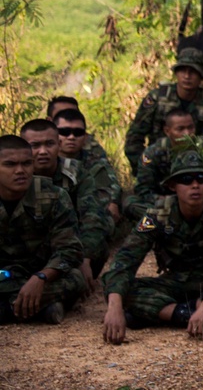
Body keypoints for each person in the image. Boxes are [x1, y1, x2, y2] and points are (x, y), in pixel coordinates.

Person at [101, 151, 203, 343]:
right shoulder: (157, 214)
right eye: (186, 179)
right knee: (116, 289)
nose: (195, 185)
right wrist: (114, 308)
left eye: (201, 178)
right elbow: (126, 258)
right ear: (172, 186)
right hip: (176, 283)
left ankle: (165, 314)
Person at [21, 119, 113, 296]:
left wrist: (85, 258)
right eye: (35, 145)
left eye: (49, 144)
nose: (43, 151)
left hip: (69, 247)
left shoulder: (76, 172)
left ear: (59, 144)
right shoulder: (14, 174)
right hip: (25, 247)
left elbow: (92, 217)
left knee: (101, 236)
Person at [0, 135, 85, 325]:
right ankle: (35, 308)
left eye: (26, 164)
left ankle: (9, 309)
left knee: (75, 279)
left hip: (40, 275)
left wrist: (41, 277)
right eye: (10, 165)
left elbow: (69, 250)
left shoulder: (53, 196)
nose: (20, 171)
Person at [123, 47, 203, 173]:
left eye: (193, 71)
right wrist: (144, 167)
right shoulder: (157, 98)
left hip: (196, 170)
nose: (187, 76)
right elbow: (134, 138)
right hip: (158, 167)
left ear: (202, 76)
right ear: (176, 72)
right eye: (183, 70)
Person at [124, 109, 203, 221]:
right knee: (130, 203)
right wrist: (171, 200)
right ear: (167, 131)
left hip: (200, 203)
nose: (187, 133)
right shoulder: (153, 153)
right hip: (164, 204)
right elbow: (143, 189)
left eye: (190, 127)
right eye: (180, 129)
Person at [52, 107, 122, 225]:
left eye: (78, 133)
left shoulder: (95, 164)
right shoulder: (43, 161)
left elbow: (109, 198)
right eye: (64, 132)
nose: (71, 137)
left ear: (85, 137)